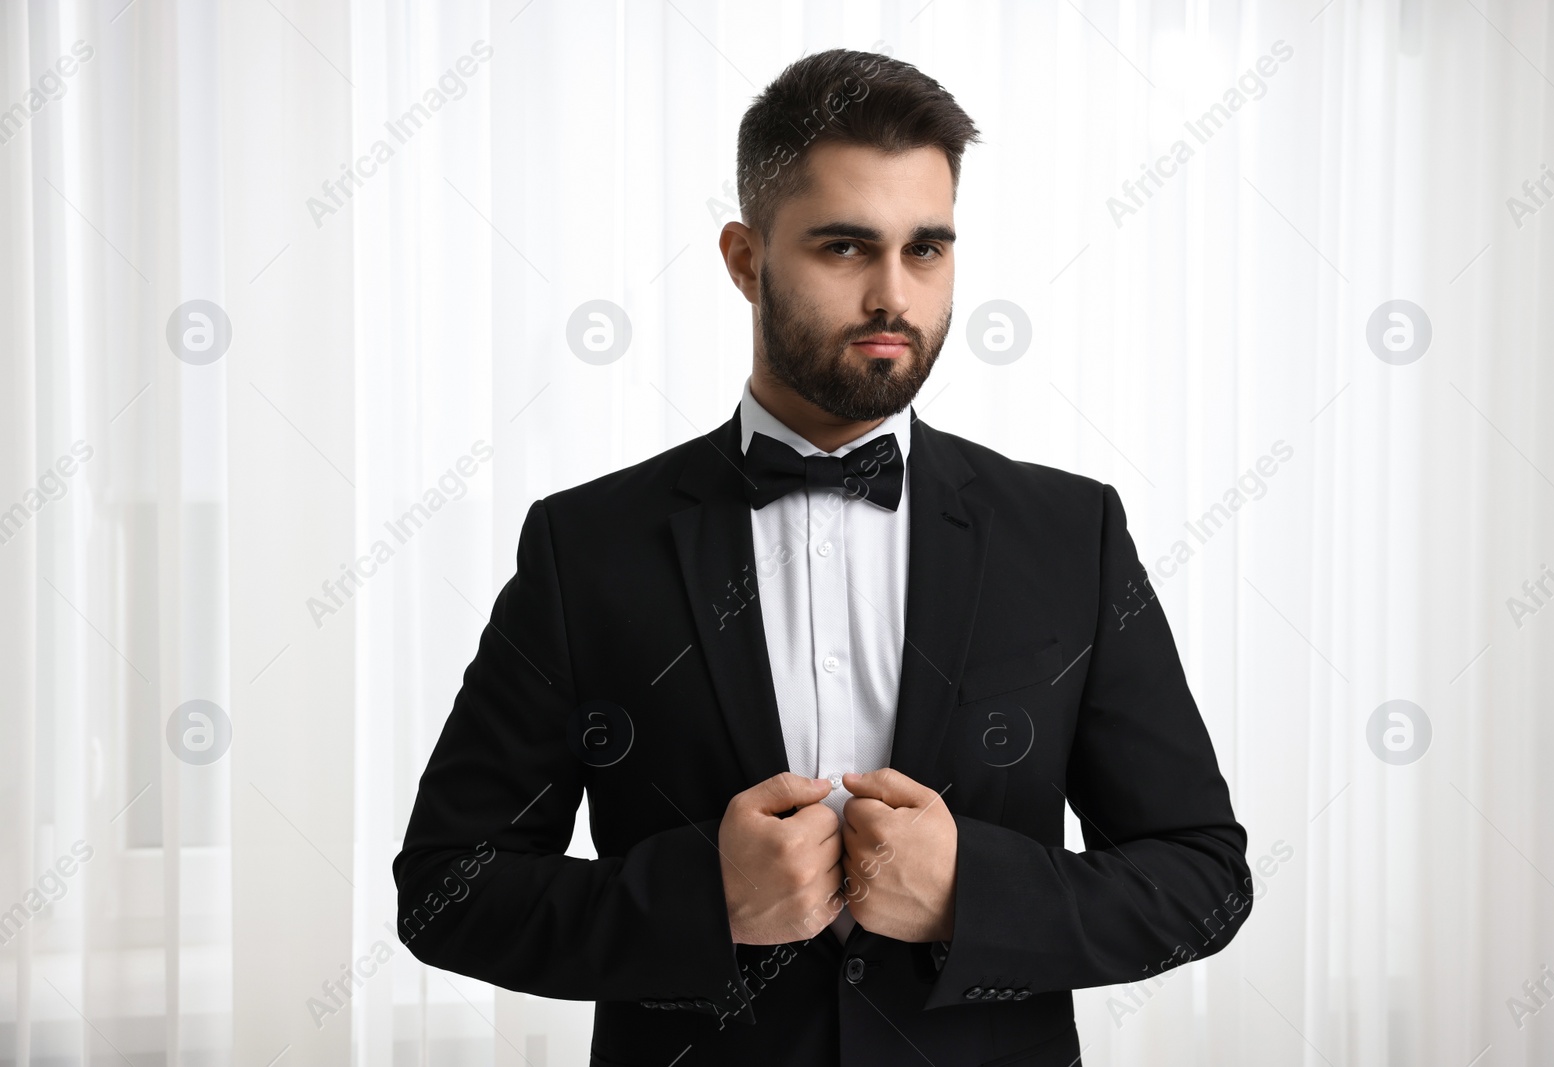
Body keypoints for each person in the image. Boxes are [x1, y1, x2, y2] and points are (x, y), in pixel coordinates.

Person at [394, 47, 1251, 1066]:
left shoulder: (1071, 534)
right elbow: (448, 888)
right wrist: (702, 899)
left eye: (926, 249)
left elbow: (1201, 877)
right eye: (846, 248)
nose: (894, 295)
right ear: (745, 259)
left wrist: (971, 895)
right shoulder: (587, 545)